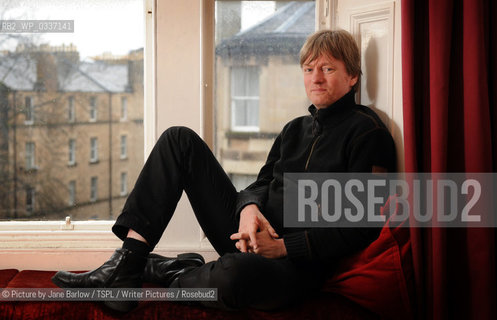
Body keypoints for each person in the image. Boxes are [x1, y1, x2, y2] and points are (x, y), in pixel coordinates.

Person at [52, 29, 396, 313]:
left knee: (233, 274)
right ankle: (128, 263)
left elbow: (361, 227)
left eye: (328, 69)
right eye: (308, 69)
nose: (315, 78)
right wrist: (248, 210)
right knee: (179, 140)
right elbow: (259, 184)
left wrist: (283, 247)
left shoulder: (368, 134)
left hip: (293, 266)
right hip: (247, 235)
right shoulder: (295, 128)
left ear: (352, 76)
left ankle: (174, 270)